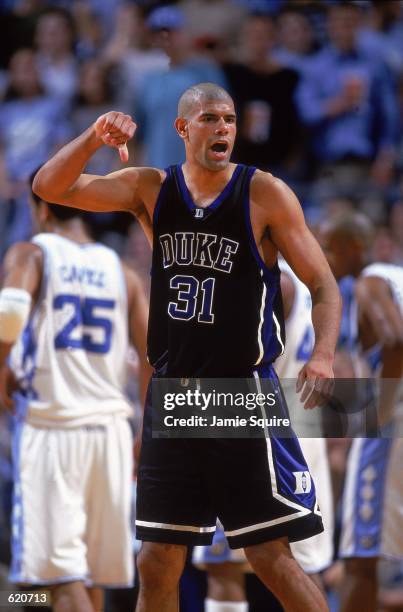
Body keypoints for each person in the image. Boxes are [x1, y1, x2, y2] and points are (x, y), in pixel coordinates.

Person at [33, 82, 341, 612]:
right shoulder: (150, 187)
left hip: (237, 391)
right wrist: (92, 136)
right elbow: (49, 186)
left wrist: (324, 355)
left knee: (268, 554)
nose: (223, 129)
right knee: (156, 558)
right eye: (210, 120)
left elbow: (324, 285)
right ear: (182, 128)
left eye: (229, 120)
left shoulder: (263, 191)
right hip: (173, 394)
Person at [0, 180, 151, 612]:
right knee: (87, 577)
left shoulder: (32, 252)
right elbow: (152, 358)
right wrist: (147, 428)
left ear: (39, 209)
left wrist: (0, 368)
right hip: (112, 435)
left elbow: (9, 309)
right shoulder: (123, 273)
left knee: (59, 578)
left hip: (53, 429)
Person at [192, 260, 334, 611]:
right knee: (302, 563)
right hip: (302, 428)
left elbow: (232, 361)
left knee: (224, 564)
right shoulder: (302, 281)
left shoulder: (272, 279)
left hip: (258, 426)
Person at [320, 212, 403, 612]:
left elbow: (396, 341)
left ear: (354, 247)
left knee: (358, 555)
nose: (324, 256)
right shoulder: (395, 276)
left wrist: (381, 414)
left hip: (393, 427)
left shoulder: (370, 281)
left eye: (329, 248)